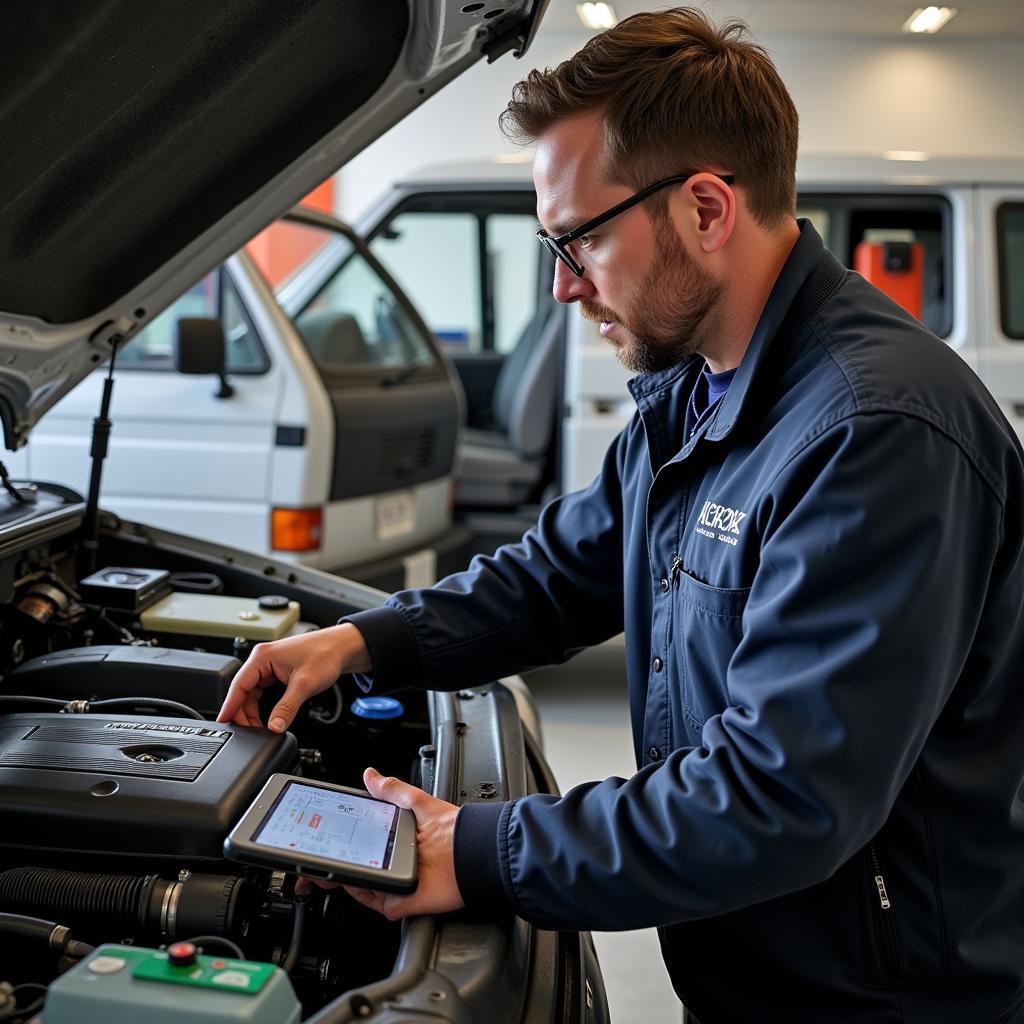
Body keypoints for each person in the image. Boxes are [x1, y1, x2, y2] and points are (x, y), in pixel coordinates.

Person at [219, 8, 1024, 1021]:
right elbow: (565, 569)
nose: (562, 285)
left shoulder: (876, 433)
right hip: (753, 958)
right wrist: (367, 640)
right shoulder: (701, 385)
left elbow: (780, 797)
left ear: (704, 209)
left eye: (582, 239)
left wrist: (472, 846)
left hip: (873, 998)